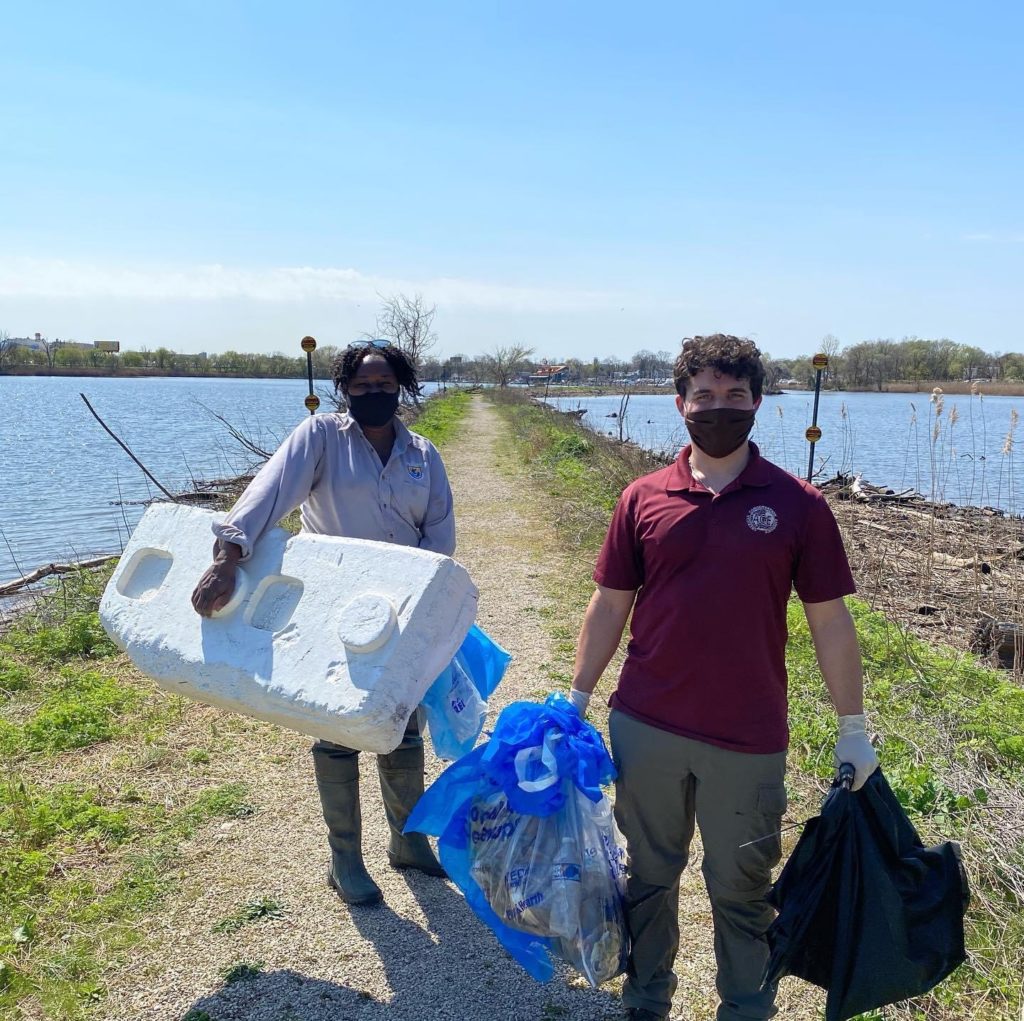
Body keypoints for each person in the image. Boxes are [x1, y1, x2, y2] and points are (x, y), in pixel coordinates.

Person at [565, 335, 878, 1020]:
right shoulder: (642, 497)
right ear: (680, 404)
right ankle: (647, 999)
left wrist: (853, 727)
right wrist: (577, 695)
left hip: (748, 735)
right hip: (647, 724)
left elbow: (830, 621)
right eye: (703, 395)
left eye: (734, 396)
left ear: (758, 403)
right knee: (648, 876)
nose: (718, 408)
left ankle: (745, 1006)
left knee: (742, 886)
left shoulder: (798, 505)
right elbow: (611, 602)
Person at [191, 339, 454, 907]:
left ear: (402, 388)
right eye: (361, 387)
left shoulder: (422, 455)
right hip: (331, 610)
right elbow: (269, 492)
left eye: (385, 386)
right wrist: (227, 557)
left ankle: (407, 842)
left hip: (400, 611)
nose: (373, 395)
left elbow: (439, 534)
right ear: (345, 391)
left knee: (400, 724)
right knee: (336, 729)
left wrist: (433, 608)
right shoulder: (321, 438)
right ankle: (345, 861)